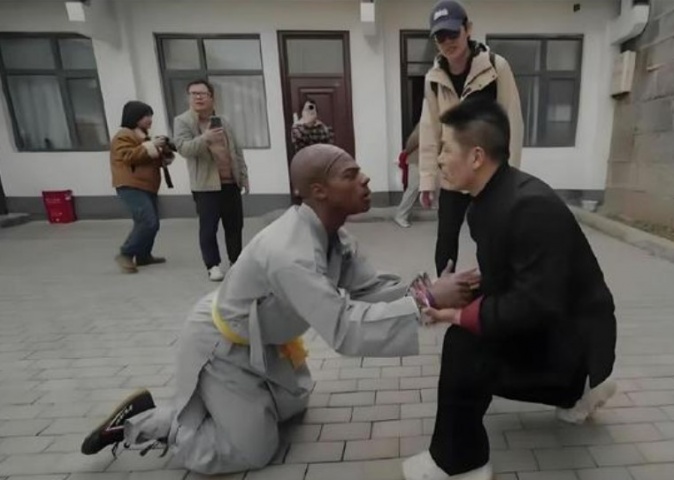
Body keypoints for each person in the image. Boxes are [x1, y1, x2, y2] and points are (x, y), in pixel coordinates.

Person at [81, 144, 479, 475]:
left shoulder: (333, 236)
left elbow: (370, 290)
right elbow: (343, 329)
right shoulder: (291, 253)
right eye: (351, 174)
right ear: (319, 191)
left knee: (292, 405)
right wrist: (428, 301)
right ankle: (149, 424)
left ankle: (214, 408)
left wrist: (429, 292)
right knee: (254, 450)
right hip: (220, 346)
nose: (365, 179)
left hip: (262, 340)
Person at [403, 99, 617, 480]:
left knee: (464, 346)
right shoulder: (489, 200)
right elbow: (510, 282)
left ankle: (462, 463)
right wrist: (463, 290)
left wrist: (457, 314)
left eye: (446, 149)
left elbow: (535, 302)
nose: (438, 160)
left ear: (476, 156)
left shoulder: (529, 206)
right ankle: (578, 391)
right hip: (554, 327)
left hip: (575, 339)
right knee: (475, 335)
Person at [419, 0, 524, 275]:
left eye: (453, 33)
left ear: (468, 29)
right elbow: (430, 129)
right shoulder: (433, 78)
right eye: (440, 36)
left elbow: (512, 121)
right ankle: (445, 288)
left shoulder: (495, 67)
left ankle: (495, 288)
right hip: (453, 170)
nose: (447, 42)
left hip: (488, 172)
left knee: (491, 235)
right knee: (446, 238)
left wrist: (510, 176)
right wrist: (427, 179)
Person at [174, 79, 250, 282]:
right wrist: (205, 137)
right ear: (189, 98)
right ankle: (212, 265)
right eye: (193, 94)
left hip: (230, 183)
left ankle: (236, 261)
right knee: (209, 228)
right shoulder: (183, 121)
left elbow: (236, 150)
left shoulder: (223, 121)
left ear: (212, 98)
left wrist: (243, 176)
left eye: (203, 93)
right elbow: (184, 149)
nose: (198, 97)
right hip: (206, 186)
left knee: (234, 226)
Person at [110, 101, 174, 274]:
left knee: (151, 222)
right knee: (148, 221)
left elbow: (150, 159)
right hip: (131, 185)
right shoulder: (123, 135)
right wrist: (153, 145)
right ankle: (126, 253)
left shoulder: (143, 136)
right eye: (146, 116)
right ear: (135, 117)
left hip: (147, 185)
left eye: (150, 115)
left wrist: (165, 150)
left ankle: (143, 255)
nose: (150, 119)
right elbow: (128, 156)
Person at [393, 123, 421, 228]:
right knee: (413, 188)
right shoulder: (424, 124)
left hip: (427, 161)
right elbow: (410, 144)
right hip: (416, 160)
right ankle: (400, 216)